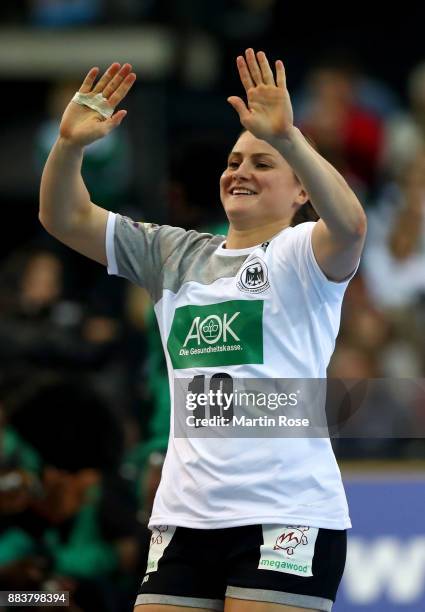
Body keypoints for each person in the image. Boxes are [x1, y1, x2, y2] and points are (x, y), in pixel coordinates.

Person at [39, 49, 367, 612]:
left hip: (284, 514)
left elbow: (352, 224)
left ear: (301, 191)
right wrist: (68, 147)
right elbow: (64, 218)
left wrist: (288, 137)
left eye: (262, 164)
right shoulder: (174, 254)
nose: (240, 171)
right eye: (235, 161)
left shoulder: (301, 254)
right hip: (184, 516)